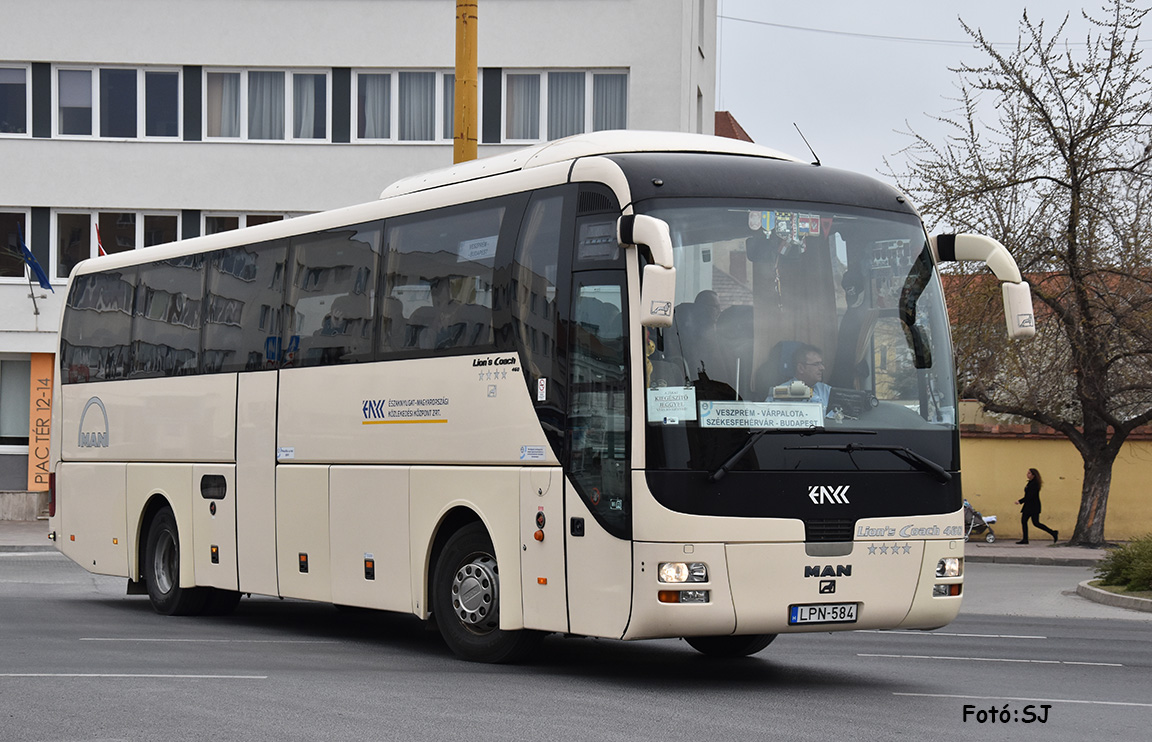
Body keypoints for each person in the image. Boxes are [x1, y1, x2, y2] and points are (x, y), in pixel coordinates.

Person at [774, 344, 831, 414]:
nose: (822, 368)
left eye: (821, 363)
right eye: (816, 364)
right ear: (801, 368)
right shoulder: (779, 393)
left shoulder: (827, 391)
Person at [1016, 468, 1058, 544]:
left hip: (1033, 506)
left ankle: (1053, 532)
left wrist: (1020, 501)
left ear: (1033, 475)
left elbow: (1030, 496)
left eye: (1029, 473)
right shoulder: (1030, 483)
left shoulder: (1035, 484)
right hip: (1028, 505)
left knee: (1036, 523)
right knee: (1025, 521)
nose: (1027, 474)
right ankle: (1025, 539)